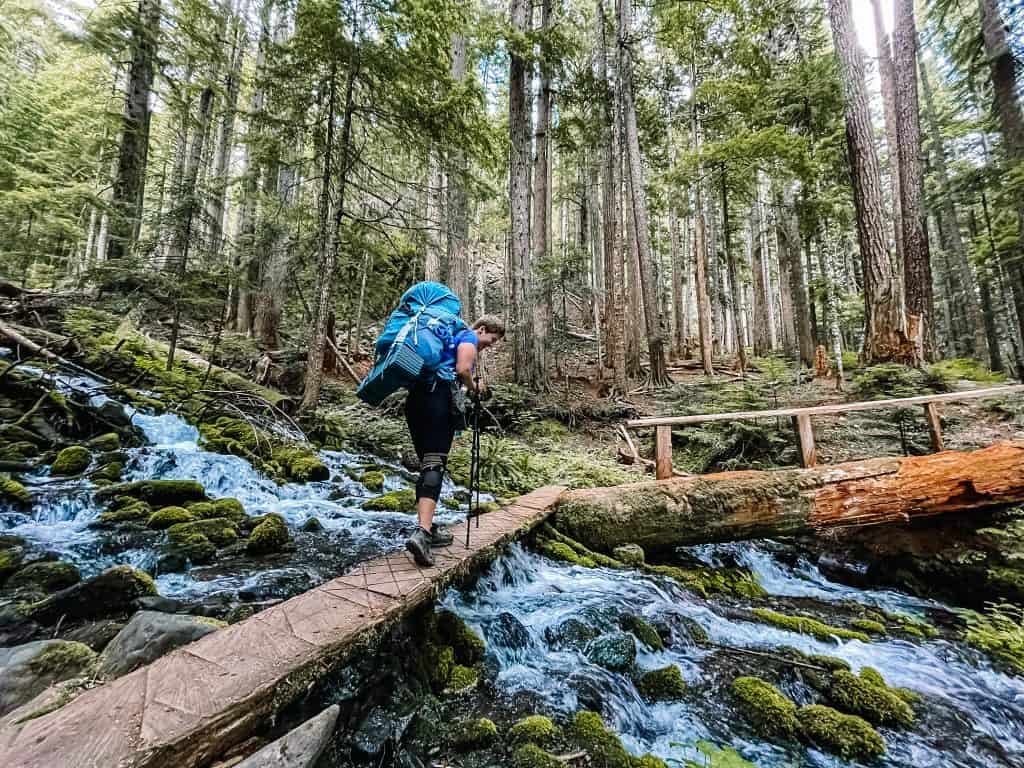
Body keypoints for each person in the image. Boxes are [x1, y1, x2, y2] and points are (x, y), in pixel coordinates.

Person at [404, 315, 505, 566]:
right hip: (437, 400)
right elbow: (462, 369)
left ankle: (427, 526)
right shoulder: (469, 337)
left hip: (416, 401)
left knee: (428, 462)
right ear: (482, 329)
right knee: (435, 464)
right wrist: (475, 387)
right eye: (490, 340)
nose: (488, 345)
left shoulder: (446, 343)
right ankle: (423, 533)